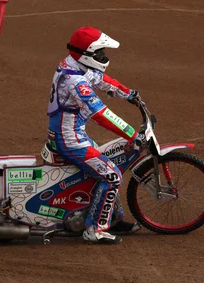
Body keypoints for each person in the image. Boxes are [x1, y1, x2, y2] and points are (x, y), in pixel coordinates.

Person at [46, 26, 142, 244]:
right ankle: (94, 230)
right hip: (70, 140)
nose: (103, 57)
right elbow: (100, 114)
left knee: (109, 162)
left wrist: (128, 94)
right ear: (87, 54)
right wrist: (131, 134)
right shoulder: (75, 81)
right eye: (99, 53)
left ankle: (114, 218)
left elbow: (101, 79)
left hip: (71, 133)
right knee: (111, 175)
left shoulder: (74, 64)